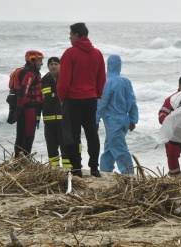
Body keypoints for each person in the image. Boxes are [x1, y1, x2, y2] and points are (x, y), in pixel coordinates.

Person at [57, 22, 106, 178]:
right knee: (92, 133)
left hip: (73, 99)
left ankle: (77, 168)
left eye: (70, 34)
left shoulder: (70, 53)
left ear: (77, 35)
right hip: (91, 98)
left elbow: (64, 80)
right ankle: (94, 168)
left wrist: (61, 97)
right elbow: (101, 78)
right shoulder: (97, 53)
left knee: (72, 135)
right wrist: (97, 94)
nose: (69, 37)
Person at [96, 55, 138, 175]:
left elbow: (102, 103)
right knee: (110, 147)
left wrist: (95, 119)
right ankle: (105, 170)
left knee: (119, 149)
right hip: (124, 118)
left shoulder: (107, 82)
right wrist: (133, 119)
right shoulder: (126, 81)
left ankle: (129, 173)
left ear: (108, 65)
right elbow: (133, 101)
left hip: (112, 120)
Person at [158, 75, 181, 176]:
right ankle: (175, 176)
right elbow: (162, 114)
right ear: (179, 86)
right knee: (172, 154)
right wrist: (169, 123)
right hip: (174, 133)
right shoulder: (171, 99)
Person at [41, 57, 71, 168]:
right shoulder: (43, 81)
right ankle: (54, 169)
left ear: (60, 66)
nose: (53, 66)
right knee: (51, 147)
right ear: (48, 66)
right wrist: (37, 118)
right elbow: (39, 101)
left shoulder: (66, 79)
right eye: (51, 64)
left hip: (63, 121)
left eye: (56, 64)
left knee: (65, 147)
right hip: (49, 122)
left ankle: (68, 169)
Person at [14, 50, 44, 157]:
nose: (41, 63)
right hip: (28, 110)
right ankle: (24, 160)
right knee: (28, 136)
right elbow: (23, 91)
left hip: (24, 109)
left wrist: (18, 110)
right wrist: (20, 109)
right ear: (33, 60)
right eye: (40, 60)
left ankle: (17, 160)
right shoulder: (30, 74)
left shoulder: (25, 72)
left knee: (21, 136)